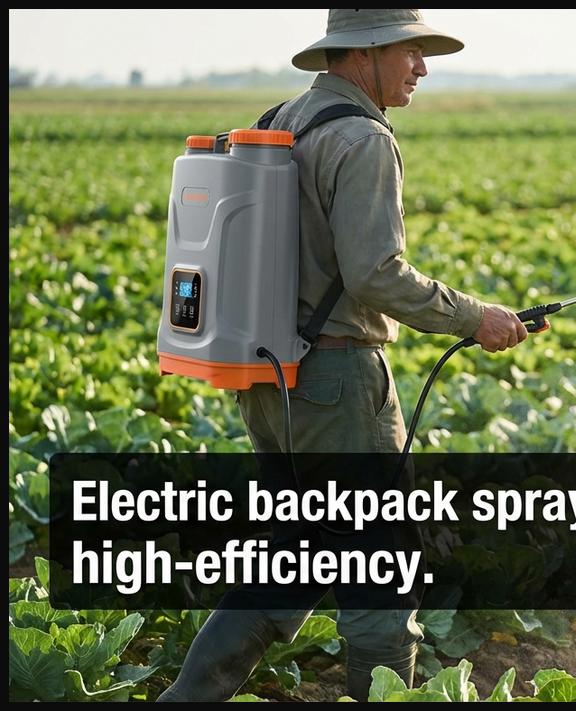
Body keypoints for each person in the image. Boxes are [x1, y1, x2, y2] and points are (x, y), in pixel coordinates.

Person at [158, 9, 526, 701]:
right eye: (412, 51)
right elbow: (375, 274)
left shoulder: (282, 118)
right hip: (336, 381)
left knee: (288, 560)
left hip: (267, 376)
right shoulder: (362, 138)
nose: (422, 67)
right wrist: (474, 317)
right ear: (367, 55)